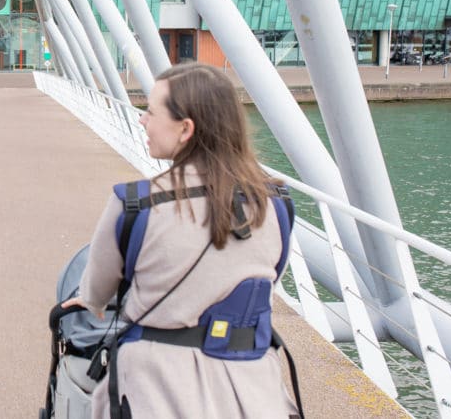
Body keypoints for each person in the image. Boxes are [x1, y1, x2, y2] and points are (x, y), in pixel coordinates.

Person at [63, 63, 299, 418]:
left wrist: (93, 300)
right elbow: (265, 281)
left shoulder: (135, 204)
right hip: (252, 391)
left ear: (185, 128)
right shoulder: (276, 204)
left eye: (151, 112)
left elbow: (97, 294)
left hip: (157, 388)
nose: (142, 120)